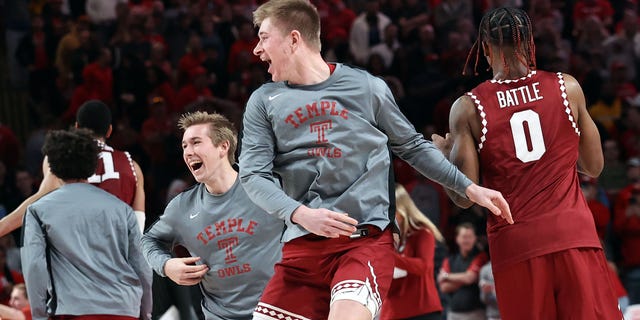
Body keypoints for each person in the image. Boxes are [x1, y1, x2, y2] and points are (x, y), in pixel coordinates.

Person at [239, 1, 512, 319]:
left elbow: (411, 146)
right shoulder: (263, 101)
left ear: (294, 39)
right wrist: (301, 214)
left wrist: (469, 188)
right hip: (301, 248)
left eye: (263, 37)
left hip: (363, 242)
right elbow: (253, 176)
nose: (257, 49)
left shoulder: (367, 88)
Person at [431, 7, 622, 319]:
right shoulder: (567, 87)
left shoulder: (468, 108)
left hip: (517, 245)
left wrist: (440, 156)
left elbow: (461, 198)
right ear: (529, 42)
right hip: (574, 235)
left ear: (485, 49)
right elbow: (594, 166)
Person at [141, 111, 283, 319]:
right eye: (184, 146)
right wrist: (166, 265)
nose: (188, 152)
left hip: (276, 311)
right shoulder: (181, 207)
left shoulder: (267, 185)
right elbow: (148, 240)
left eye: (196, 142)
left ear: (223, 147)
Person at [20, 128, 152, 320]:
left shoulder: (38, 211)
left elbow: (34, 267)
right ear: (92, 164)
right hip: (125, 310)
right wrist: (145, 313)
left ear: (53, 167)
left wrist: (39, 316)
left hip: (73, 311)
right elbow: (142, 266)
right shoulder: (122, 209)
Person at [0, 100, 146, 237]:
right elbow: (138, 224)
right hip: (117, 256)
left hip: (75, 252)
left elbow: (39, 201)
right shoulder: (133, 167)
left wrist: (3, 227)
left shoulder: (60, 156)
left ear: (76, 127)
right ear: (109, 131)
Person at [379, 184, 444, 320]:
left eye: (389, 211)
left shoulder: (422, 233)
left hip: (422, 310)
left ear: (402, 209)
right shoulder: (383, 237)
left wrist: (390, 256)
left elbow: (423, 266)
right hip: (391, 312)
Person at [437, 223, 487, 320]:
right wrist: (465, 278)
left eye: (470, 237)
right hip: (453, 313)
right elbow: (444, 287)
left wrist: (446, 276)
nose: (467, 240)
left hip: (476, 313)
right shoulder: (449, 260)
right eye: (464, 237)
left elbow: (469, 278)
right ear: (457, 239)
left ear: (475, 238)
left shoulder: (481, 257)